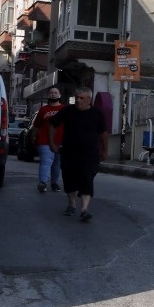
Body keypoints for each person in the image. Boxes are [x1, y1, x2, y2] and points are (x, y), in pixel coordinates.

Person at [52, 87, 108, 222]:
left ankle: (84, 209)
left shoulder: (97, 113)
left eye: (82, 98)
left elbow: (103, 133)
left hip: (90, 154)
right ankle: (71, 204)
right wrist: (52, 143)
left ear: (89, 99)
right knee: (70, 180)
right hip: (69, 152)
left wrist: (105, 150)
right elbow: (52, 124)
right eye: (77, 97)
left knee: (87, 179)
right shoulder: (67, 111)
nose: (78, 100)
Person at [32, 86, 65, 193]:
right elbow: (37, 125)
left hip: (60, 141)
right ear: (48, 95)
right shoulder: (43, 110)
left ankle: (54, 183)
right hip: (44, 140)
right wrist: (33, 136)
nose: (53, 94)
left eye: (55, 93)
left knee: (57, 164)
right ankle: (43, 182)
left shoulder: (64, 109)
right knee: (46, 161)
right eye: (51, 92)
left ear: (59, 95)